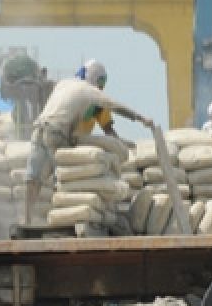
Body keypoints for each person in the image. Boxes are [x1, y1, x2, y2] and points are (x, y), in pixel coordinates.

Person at [24, 59, 157, 224]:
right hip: (57, 134)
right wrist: (142, 118)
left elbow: (108, 129)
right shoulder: (90, 91)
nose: (101, 87)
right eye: (100, 83)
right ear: (95, 79)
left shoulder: (65, 83)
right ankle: (63, 219)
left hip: (38, 129)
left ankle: (27, 219)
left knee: (33, 177)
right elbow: (115, 105)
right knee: (64, 179)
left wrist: (121, 142)